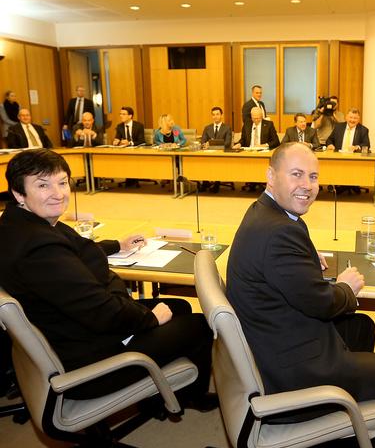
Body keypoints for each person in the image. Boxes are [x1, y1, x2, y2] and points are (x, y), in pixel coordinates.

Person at [226, 142, 375, 446]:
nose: (307, 186)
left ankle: (351, 409)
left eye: (313, 177)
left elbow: (282, 259)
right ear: (270, 175)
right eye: (297, 174)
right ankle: (353, 433)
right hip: (291, 368)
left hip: (275, 335)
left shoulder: (264, 211)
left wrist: (305, 255)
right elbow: (323, 304)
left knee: (362, 326)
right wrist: (346, 288)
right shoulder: (278, 233)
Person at [0, 149, 216, 409]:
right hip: (90, 358)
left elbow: (68, 255)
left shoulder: (20, 225)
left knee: (178, 307)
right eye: (43, 185)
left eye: (62, 182)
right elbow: (104, 311)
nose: (57, 194)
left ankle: (162, 390)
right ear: (18, 193)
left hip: (68, 332)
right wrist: (150, 319)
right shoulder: (38, 248)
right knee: (200, 324)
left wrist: (115, 246)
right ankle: (188, 397)